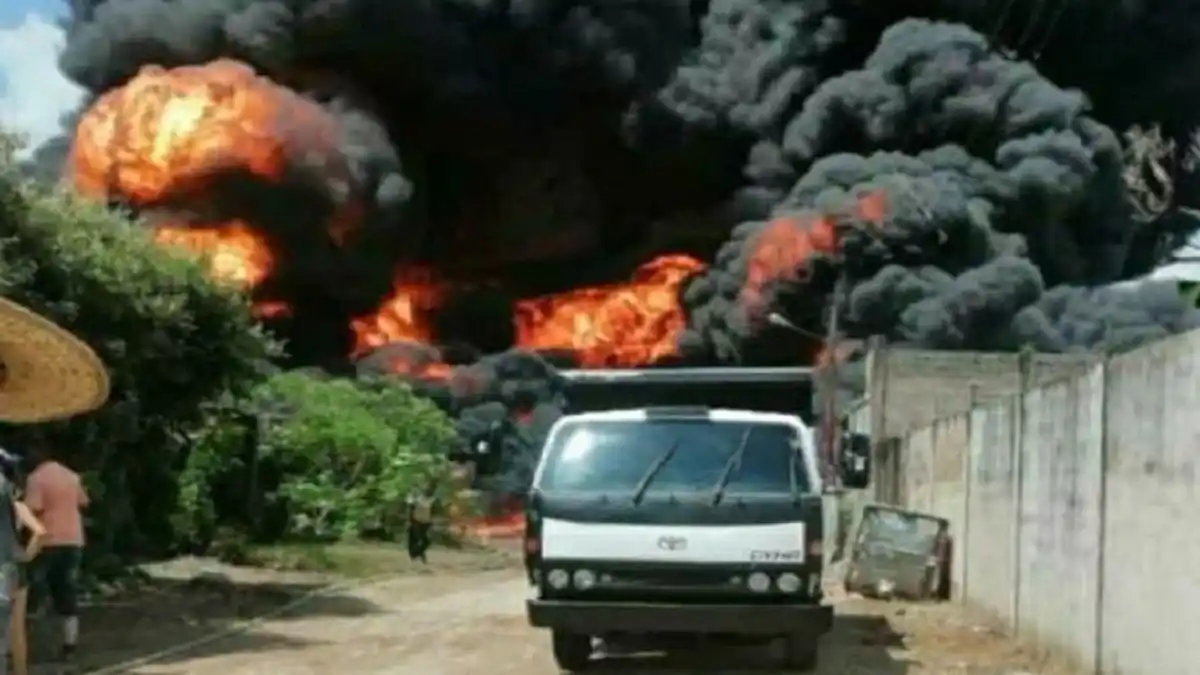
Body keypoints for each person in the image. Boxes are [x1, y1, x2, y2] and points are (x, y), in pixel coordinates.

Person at [23, 443, 87, 664]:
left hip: (47, 541)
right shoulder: (72, 476)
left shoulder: (36, 478)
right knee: (67, 589)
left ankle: (28, 643)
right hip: (73, 539)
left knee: (34, 590)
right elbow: (83, 501)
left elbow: (32, 508)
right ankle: (70, 643)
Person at [0, 449, 45, 675]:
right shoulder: (17, 505)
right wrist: (26, 556)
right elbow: (40, 532)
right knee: (17, 631)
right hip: (17, 568)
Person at [406, 482, 437, 563]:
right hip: (417, 521)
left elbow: (432, 512)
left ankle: (417, 553)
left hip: (426, 522)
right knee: (419, 539)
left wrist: (432, 522)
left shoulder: (431, 500)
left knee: (426, 541)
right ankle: (417, 553)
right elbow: (411, 509)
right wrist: (409, 520)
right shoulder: (418, 500)